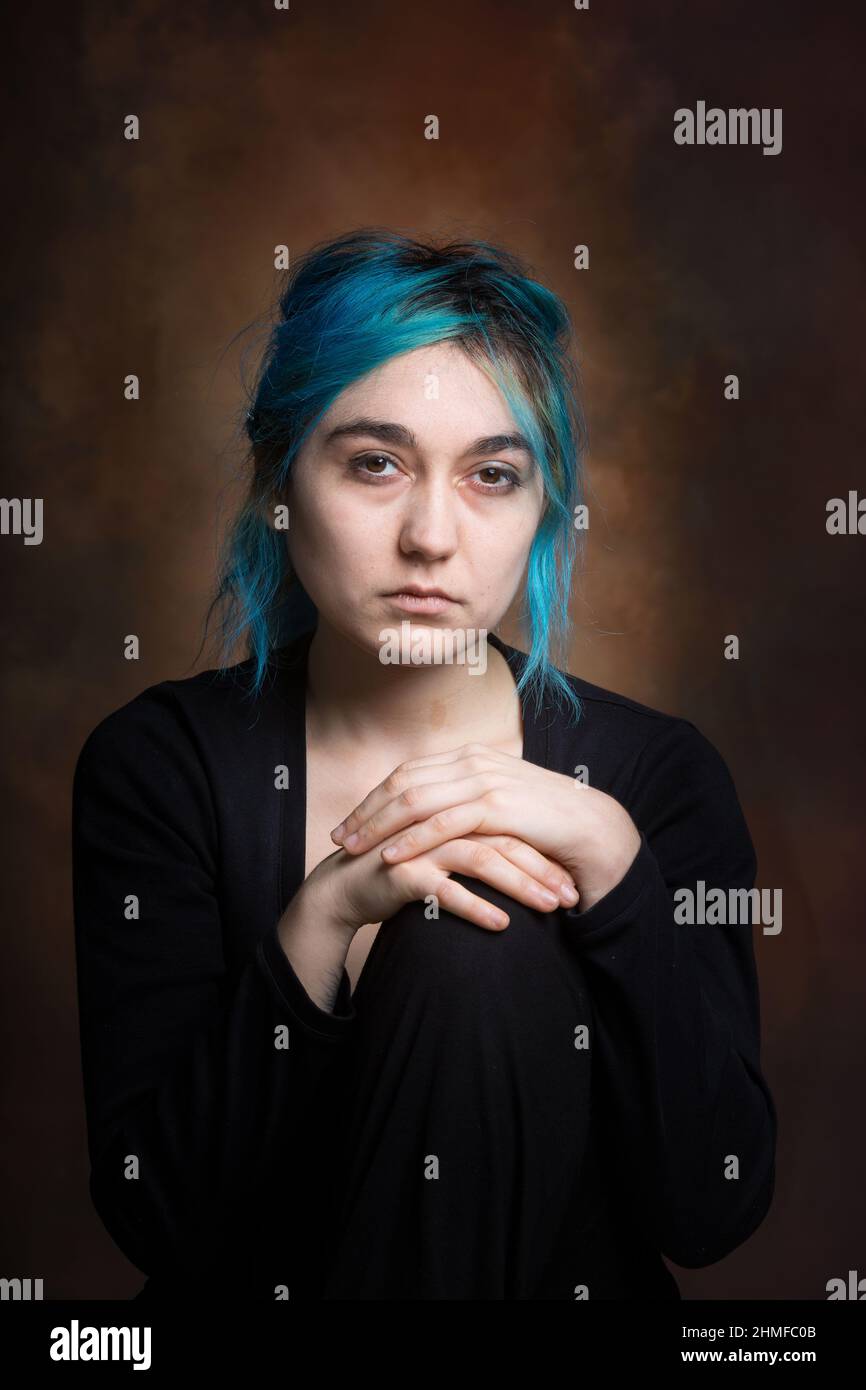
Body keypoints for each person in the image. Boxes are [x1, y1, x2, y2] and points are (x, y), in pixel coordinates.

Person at [72, 228, 777, 1301]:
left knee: (471, 947)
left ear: (543, 507)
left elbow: (713, 1207)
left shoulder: (656, 776)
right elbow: (156, 1217)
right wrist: (319, 924)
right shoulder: (161, 766)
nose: (431, 536)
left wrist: (618, 873)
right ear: (279, 480)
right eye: (375, 463)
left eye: (492, 475)